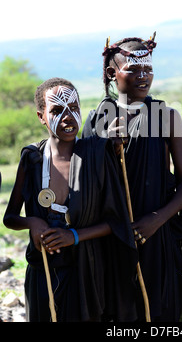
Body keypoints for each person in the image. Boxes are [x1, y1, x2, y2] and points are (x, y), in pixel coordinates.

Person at [3, 77, 138, 322]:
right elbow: (9, 217)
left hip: (87, 271)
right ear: (41, 116)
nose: (67, 117)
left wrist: (72, 236)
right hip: (42, 270)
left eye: (74, 108)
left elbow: (117, 222)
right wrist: (33, 222)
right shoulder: (32, 159)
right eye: (56, 110)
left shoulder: (97, 155)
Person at [81, 34, 182, 322]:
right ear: (112, 73)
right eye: (133, 69)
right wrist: (105, 145)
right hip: (110, 238)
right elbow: (84, 183)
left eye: (148, 69)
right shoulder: (97, 120)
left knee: (160, 312)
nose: (143, 77)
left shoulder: (167, 116)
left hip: (158, 236)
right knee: (118, 313)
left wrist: (157, 219)